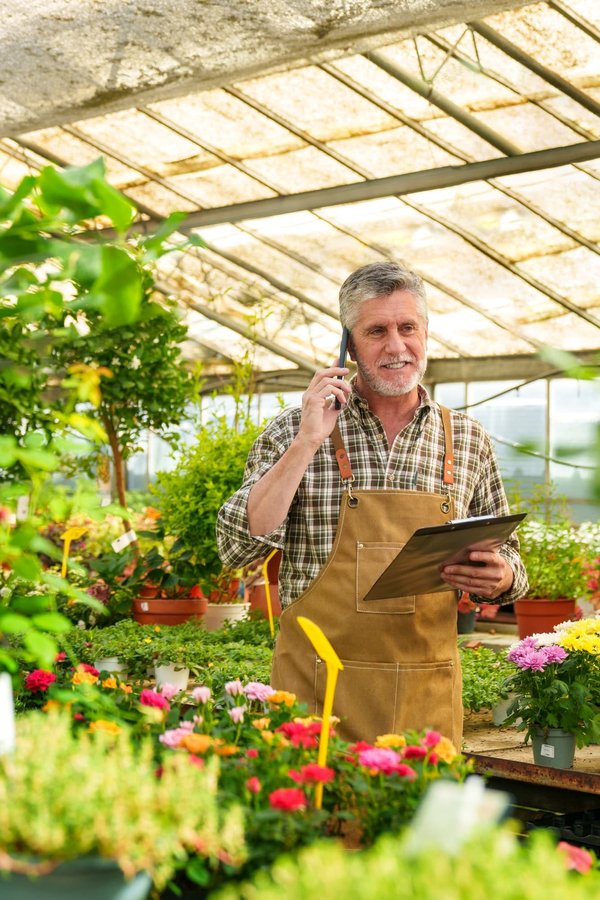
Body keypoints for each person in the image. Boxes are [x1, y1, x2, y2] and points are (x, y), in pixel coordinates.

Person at [217, 261, 528, 743]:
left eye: (408, 328)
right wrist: (307, 441)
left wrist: (501, 575)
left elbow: (511, 562)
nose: (396, 346)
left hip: (424, 703)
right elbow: (239, 547)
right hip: (314, 696)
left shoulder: (466, 438)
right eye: (377, 331)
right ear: (349, 344)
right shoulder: (294, 430)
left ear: (426, 333)